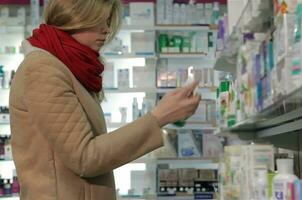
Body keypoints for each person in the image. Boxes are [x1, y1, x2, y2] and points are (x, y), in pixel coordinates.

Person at [9, 0, 201, 199]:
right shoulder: (43, 70)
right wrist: (158, 117)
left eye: (108, 21)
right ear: (76, 16)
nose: (107, 30)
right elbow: (85, 157)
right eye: (100, 20)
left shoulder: (70, 68)